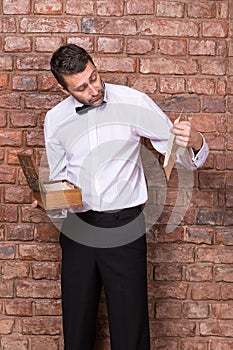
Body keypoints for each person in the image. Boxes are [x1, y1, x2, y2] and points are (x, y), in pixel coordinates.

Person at [33, 44, 209, 350]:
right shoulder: (55, 120)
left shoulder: (133, 101)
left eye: (94, 77)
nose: (94, 89)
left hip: (124, 227)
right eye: (81, 87)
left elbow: (174, 150)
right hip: (77, 230)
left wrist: (194, 141)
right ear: (63, 89)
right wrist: (52, 200)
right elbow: (59, 178)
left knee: (131, 331)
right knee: (76, 328)